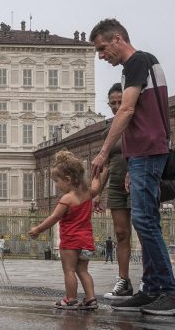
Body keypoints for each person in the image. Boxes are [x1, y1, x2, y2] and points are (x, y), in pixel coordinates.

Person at [89, 19, 175, 315]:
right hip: (143, 154)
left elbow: (126, 110)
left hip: (147, 152)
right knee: (146, 219)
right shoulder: (145, 64)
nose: (101, 55)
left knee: (145, 222)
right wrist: (129, 164)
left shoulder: (136, 62)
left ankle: (167, 290)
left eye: (102, 48)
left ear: (117, 39)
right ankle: (151, 288)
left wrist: (102, 153)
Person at [29, 150, 97, 310]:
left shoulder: (67, 199)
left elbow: (54, 217)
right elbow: (97, 185)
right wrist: (100, 172)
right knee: (83, 271)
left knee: (69, 270)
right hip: (86, 241)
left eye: (57, 181)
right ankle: (91, 299)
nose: (56, 185)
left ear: (68, 179)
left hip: (71, 242)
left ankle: (71, 299)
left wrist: (38, 229)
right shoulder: (88, 194)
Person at [90, 83, 134, 299]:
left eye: (120, 102)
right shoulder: (110, 132)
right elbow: (106, 165)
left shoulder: (138, 124)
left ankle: (150, 280)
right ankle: (123, 281)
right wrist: (98, 192)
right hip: (116, 186)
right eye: (113, 103)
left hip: (138, 182)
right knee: (121, 234)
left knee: (146, 233)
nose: (117, 106)